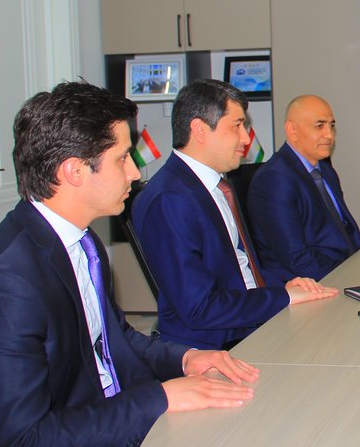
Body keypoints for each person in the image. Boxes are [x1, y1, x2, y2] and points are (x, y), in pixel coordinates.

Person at [0, 81, 261, 446]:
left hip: (104, 419)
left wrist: (187, 358)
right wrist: (160, 398)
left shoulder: (84, 243)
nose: (135, 173)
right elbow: (25, 438)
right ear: (74, 171)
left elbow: (115, 340)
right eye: (122, 159)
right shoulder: (3, 284)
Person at [132, 80, 337, 350]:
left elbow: (240, 269)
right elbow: (200, 308)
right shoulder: (170, 200)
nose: (245, 138)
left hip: (248, 323)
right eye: (237, 126)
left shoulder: (216, 187)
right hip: (217, 345)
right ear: (200, 130)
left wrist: (286, 283)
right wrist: (283, 297)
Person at [248, 95, 360, 283]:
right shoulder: (274, 179)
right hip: (311, 284)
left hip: (344, 268)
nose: (329, 135)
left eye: (331, 125)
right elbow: (297, 259)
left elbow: (345, 231)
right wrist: (351, 277)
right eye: (319, 126)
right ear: (292, 131)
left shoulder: (325, 171)